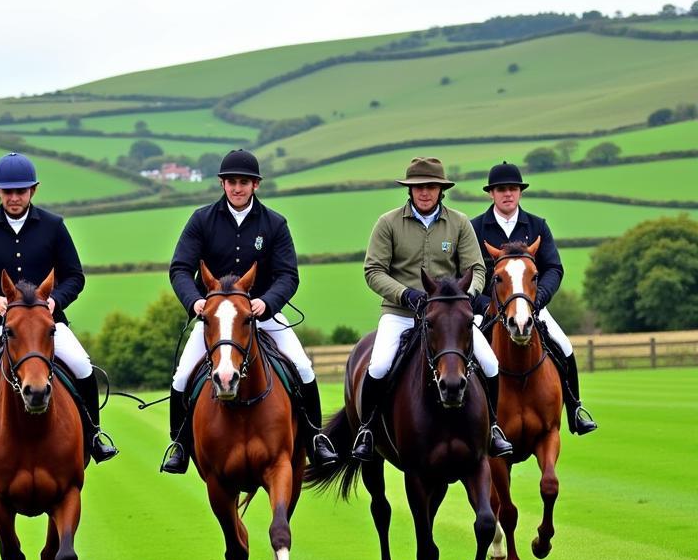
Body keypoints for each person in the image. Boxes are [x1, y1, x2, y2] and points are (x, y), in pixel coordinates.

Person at [0, 152, 118, 475]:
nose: (14, 197)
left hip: (47, 324)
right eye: (8, 192)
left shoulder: (54, 226)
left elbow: (75, 276)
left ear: (33, 190)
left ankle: (94, 435)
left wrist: (55, 301)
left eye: (21, 191)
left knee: (82, 366)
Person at [160, 148, 338, 474]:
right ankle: (180, 445)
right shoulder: (201, 220)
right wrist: (194, 301)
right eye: (231, 182)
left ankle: (315, 438)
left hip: (262, 314)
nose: (237, 188)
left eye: (244, 182)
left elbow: (288, 275)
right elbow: (180, 268)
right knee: (183, 375)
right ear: (222, 183)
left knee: (303, 366)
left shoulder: (274, 223)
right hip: (215, 319)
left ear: (256, 185)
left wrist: (267, 302)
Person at [352, 157, 513, 462]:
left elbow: (477, 268)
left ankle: (493, 427)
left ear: (441, 190)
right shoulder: (388, 223)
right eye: (418, 187)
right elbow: (373, 270)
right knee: (378, 366)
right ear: (409, 190)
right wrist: (405, 294)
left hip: (450, 317)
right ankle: (367, 430)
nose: (424, 192)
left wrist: (466, 296)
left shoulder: (459, 223)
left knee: (490, 363)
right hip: (400, 313)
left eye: (431, 187)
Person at [470, 161, 597, 434]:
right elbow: (464, 274)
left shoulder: (537, 226)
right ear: (491, 193)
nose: (508, 194)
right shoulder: (475, 228)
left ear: (520, 192)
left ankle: (575, 409)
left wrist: (537, 300)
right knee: (466, 354)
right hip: (487, 309)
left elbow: (554, 267)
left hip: (531, 306)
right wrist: (483, 306)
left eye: (513, 189)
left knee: (564, 347)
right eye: (501, 189)